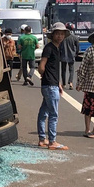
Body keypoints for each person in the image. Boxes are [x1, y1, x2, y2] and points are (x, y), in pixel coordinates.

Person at [37, 22, 69, 150]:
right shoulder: (49, 48)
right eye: (58, 34)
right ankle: (52, 141)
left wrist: (58, 83)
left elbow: (53, 69)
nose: (60, 36)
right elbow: (41, 66)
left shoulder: (56, 48)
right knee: (53, 114)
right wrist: (48, 78)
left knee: (43, 112)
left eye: (62, 34)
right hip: (50, 86)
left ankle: (41, 138)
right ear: (53, 35)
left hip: (51, 84)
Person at [60, 22, 79, 89]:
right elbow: (77, 48)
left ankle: (64, 84)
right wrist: (75, 54)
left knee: (63, 70)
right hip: (71, 55)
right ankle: (70, 83)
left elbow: (60, 47)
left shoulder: (63, 37)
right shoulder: (75, 37)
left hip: (63, 56)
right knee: (71, 70)